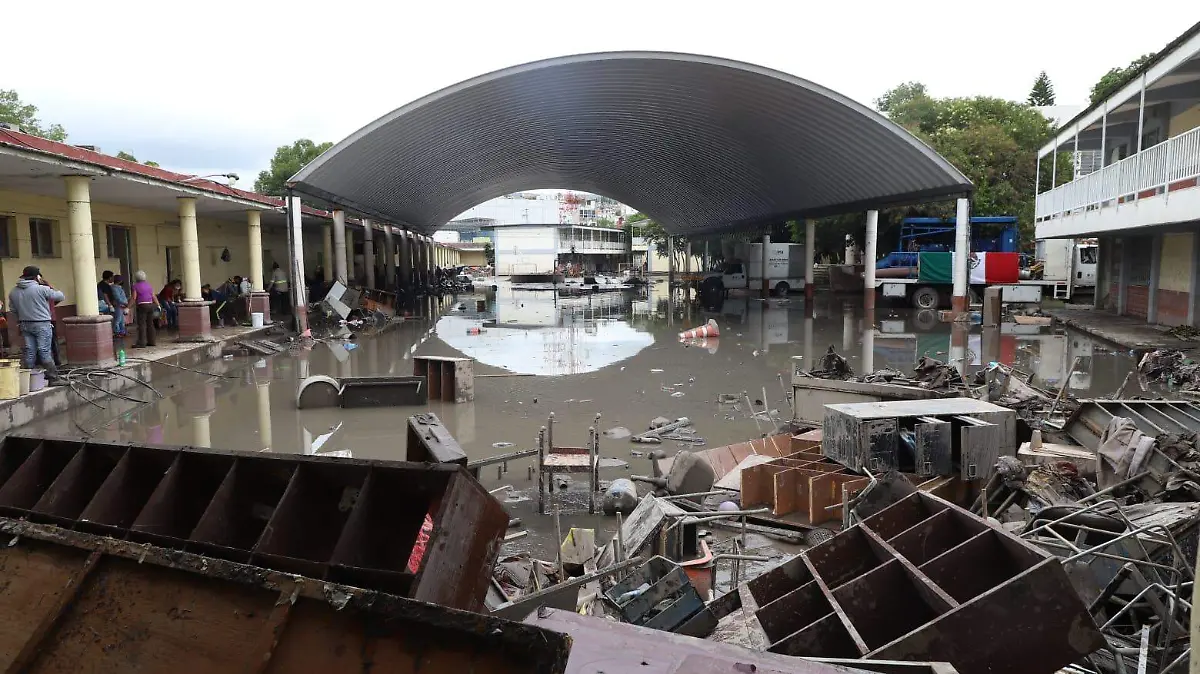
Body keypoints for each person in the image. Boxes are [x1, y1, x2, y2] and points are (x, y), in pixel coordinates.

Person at [9, 266, 64, 381]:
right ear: (37, 277)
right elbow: (60, 296)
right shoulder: (41, 289)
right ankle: (54, 379)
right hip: (42, 324)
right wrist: (47, 285)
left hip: (24, 324)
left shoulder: (13, 291)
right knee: (44, 351)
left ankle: (28, 379)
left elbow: (13, 310)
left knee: (30, 351)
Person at [130, 270, 160, 348]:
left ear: (136, 278)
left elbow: (134, 297)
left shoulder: (135, 286)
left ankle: (141, 343)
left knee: (142, 325)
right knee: (150, 324)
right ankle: (152, 341)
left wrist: (128, 307)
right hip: (150, 305)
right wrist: (158, 305)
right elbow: (153, 296)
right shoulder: (149, 285)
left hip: (142, 306)